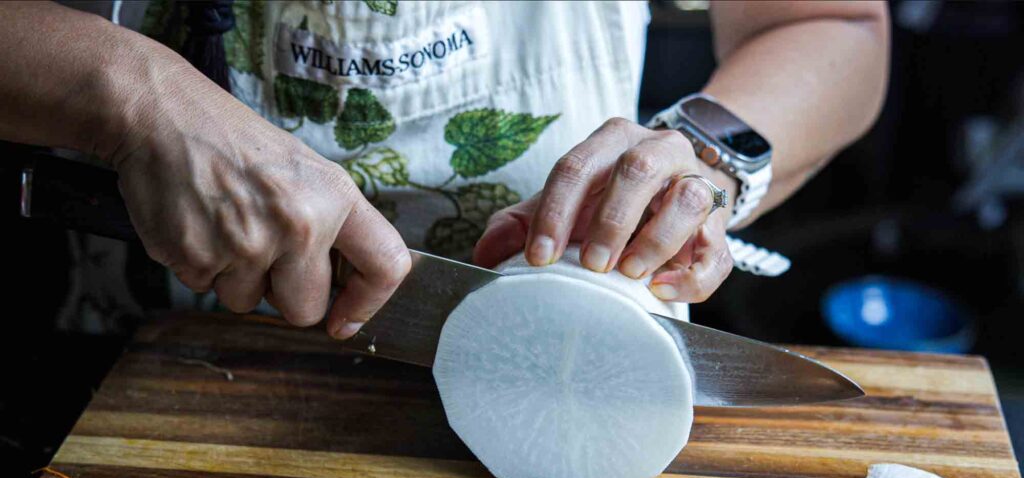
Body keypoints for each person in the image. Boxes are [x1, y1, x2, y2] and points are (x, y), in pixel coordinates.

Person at [0, 0, 889, 338]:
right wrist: (129, 90)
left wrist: (703, 159)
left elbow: (829, 24)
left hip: (559, 370)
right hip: (137, 373)